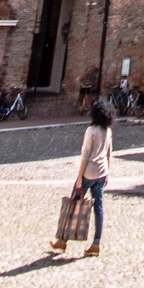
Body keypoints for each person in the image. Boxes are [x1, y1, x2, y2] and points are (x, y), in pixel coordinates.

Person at [50, 98, 113, 256]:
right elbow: (109, 153)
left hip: (88, 173)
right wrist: (107, 173)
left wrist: (79, 177)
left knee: (73, 204)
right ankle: (96, 243)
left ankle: (62, 241)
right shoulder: (108, 131)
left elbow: (85, 154)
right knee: (99, 208)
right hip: (102, 173)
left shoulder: (91, 131)